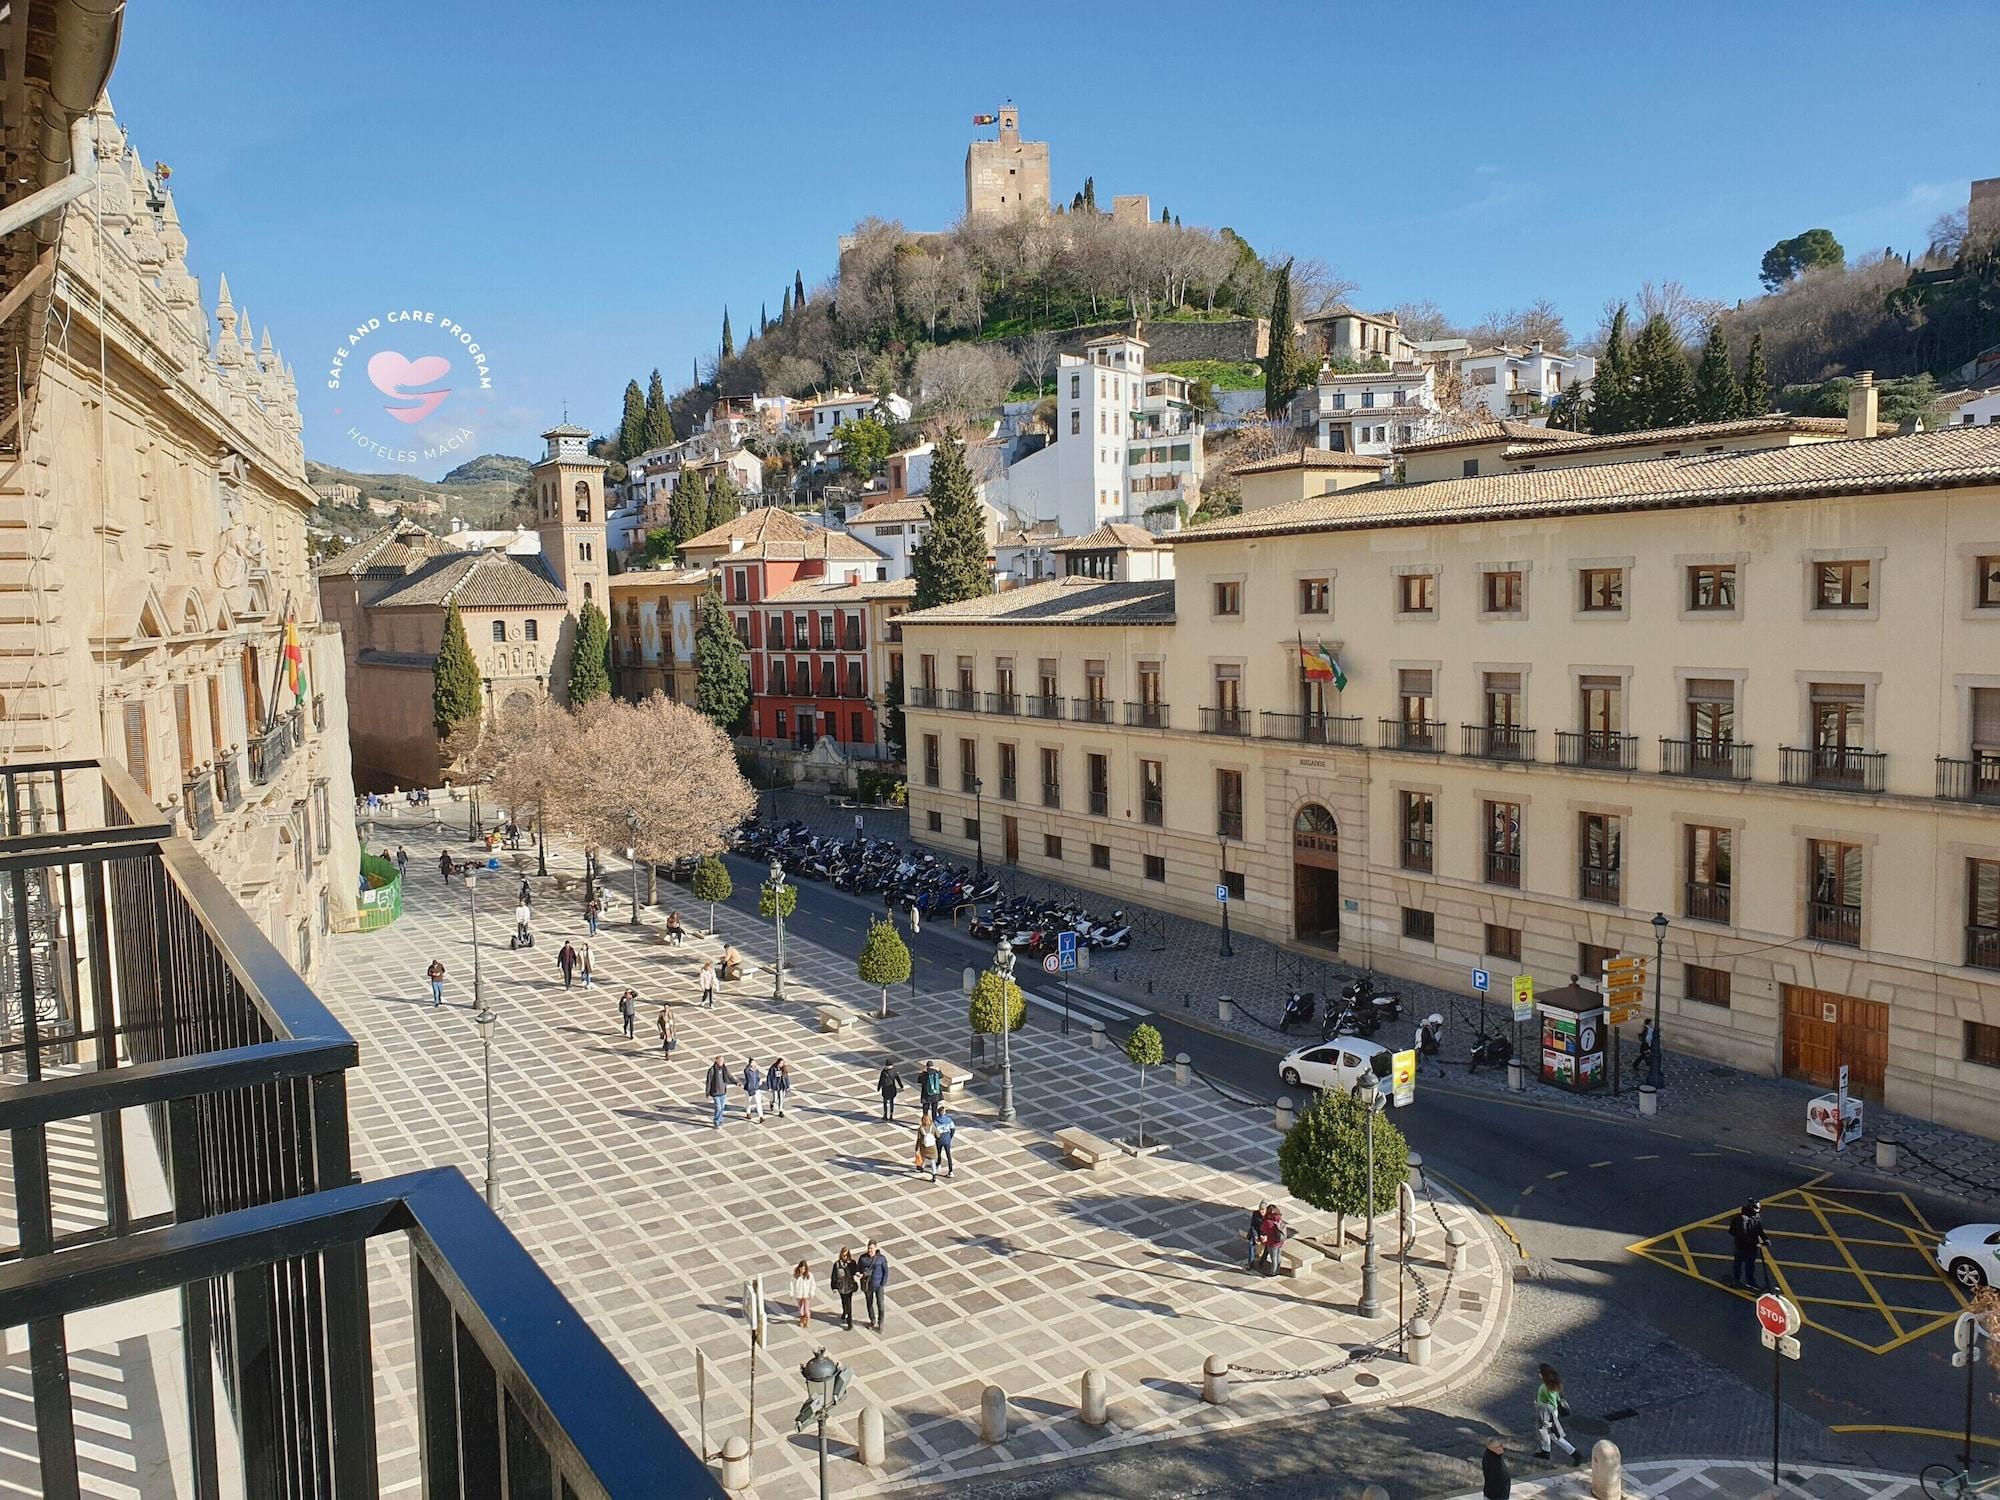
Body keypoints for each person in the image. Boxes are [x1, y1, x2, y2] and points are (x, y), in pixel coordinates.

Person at [1533, 1364, 1580, 1465]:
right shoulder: (1552, 1385)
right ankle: (1545, 1451)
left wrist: (1539, 1405)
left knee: (1554, 1436)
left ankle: (1575, 1453)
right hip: (1547, 1413)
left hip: (1547, 1414)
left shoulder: (1545, 1387)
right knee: (1544, 1433)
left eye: (1539, 1372)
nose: (1538, 1374)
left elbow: (1553, 1404)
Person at [1729, 1198, 1771, 1290]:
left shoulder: (1756, 1216)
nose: (1758, 1210)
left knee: (1750, 1264)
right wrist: (1755, 1244)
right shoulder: (1742, 1219)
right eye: (1756, 1208)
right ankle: (1736, 1280)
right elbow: (1743, 1234)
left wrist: (1766, 1239)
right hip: (1742, 1246)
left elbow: (1760, 1230)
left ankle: (1750, 1281)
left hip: (1752, 1246)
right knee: (1739, 1262)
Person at [858, 1241, 889, 1332]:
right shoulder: (863, 1258)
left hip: (878, 1285)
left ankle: (881, 1322)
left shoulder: (881, 1258)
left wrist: (883, 1283)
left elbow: (885, 1271)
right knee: (869, 1303)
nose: (869, 1250)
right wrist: (860, 1273)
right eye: (868, 1248)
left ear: (875, 1248)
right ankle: (872, 1320)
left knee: (880, 1304)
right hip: (867, 1285)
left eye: (871, 1248)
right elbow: (858, 1268)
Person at [831, 1247, 860, 1331]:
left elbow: (855, 1271)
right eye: (844, 1256)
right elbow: (834, 1276)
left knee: (849, 1303)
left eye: (847, 1255)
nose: (845, 1257)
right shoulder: (837, 1264)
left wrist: (854, 1270)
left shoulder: (852, 1263)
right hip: (841, 1286)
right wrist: (834, 1287)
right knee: (843, 1301)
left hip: (849, 1286)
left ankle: (849, 1322)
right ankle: (844, 1311)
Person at [1259, 1203, 1287, 1276]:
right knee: (1278, 1257)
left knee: (1274, 1258)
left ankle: (1273, 1273)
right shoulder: (1279, 1218)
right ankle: (1277, 1271)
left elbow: (1262, 1228)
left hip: (1272, 1243)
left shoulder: (1268, 1222)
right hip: (1280, 1241)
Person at [1416, 1012, 1446, 1080]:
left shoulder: (1426, 1031)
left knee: (1432, 1062)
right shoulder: (1429, 1030)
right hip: (1425, 1048)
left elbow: (1427, 1040)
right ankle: (1420, 1068)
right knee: (1422, 1058)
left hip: (1428, 1049)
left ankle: (1441, 1071)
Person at [705, 1056, 729, 1129]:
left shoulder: (724, 1068)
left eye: (723, 1060)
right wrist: (707, 1092)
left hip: (723, 1092)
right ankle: (716, 1121)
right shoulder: (712, 1070)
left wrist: (736, 1082)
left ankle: (720, 1119)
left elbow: (729, 1077)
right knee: (718, 1107)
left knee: (722, 1107)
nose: (722, 1061)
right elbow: (708, 1082)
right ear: (716, 1061)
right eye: (720, 1060)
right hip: (715, 1092)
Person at [914, 1112, 938, 1182]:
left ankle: (922, 1167)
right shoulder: (933, 1127)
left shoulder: (921, 1129)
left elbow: (918, 1139)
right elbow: (938, 1135)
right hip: (932, 1147)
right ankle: (934, 1175)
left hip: (924, 1147)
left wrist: (916, 1148)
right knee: (933, 1161)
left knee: (923, 1158)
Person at [932, 1106, 956, 1178]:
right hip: (947, 1137)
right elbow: (953, 1129)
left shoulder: (936, 1121)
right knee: (948, 1155)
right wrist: (950, 1136)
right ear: (944, 1112)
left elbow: (933, 1131)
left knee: (938, 1152)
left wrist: (936, 1137)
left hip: (939, 1138)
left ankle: (938, 1164)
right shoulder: (949, 1119)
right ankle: (950, 1171)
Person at [791, 1258, 815, 1329]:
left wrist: (811, 1292)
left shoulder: (809, 1275)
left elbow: (812, 1284)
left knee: (806, 1309)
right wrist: (791, 1293)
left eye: (804, 1269)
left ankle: (807, 1318)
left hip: (806, 1295)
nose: (802, 1270)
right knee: (801, 1309)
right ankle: (802, 1318)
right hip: (799, 1295)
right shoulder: (795, 1275)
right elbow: (791, 1284)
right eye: (801, 1268)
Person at [741, 1057, 764, 1123]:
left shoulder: (756, 1070)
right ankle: (748, 1113)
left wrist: (759, 1080)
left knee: (758, 1102)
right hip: (749, 1089)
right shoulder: (747, 1071)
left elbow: (757, 1077)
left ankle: (761, 1116)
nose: (754, 1064)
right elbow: (745, 1070)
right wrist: (749, 1064)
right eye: (752, 1062)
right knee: (748, 1101)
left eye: (754, 1062)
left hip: (756, 1088)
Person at [1245, 1204, 1267, 1270]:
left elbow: (1271, 1229)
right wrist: (1256, 1237)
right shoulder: (1255, 1214)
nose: (1261, 1212)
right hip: (1257, 1234)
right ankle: (1250, 1263)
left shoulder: (1269, 1216)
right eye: (1260, 1210)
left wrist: (1266, 1236)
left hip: (1266, 1235)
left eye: (1263, 1210)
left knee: (1269, 1247)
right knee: (1251, 1244)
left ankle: (1262, 1261)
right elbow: (1253, 1226)